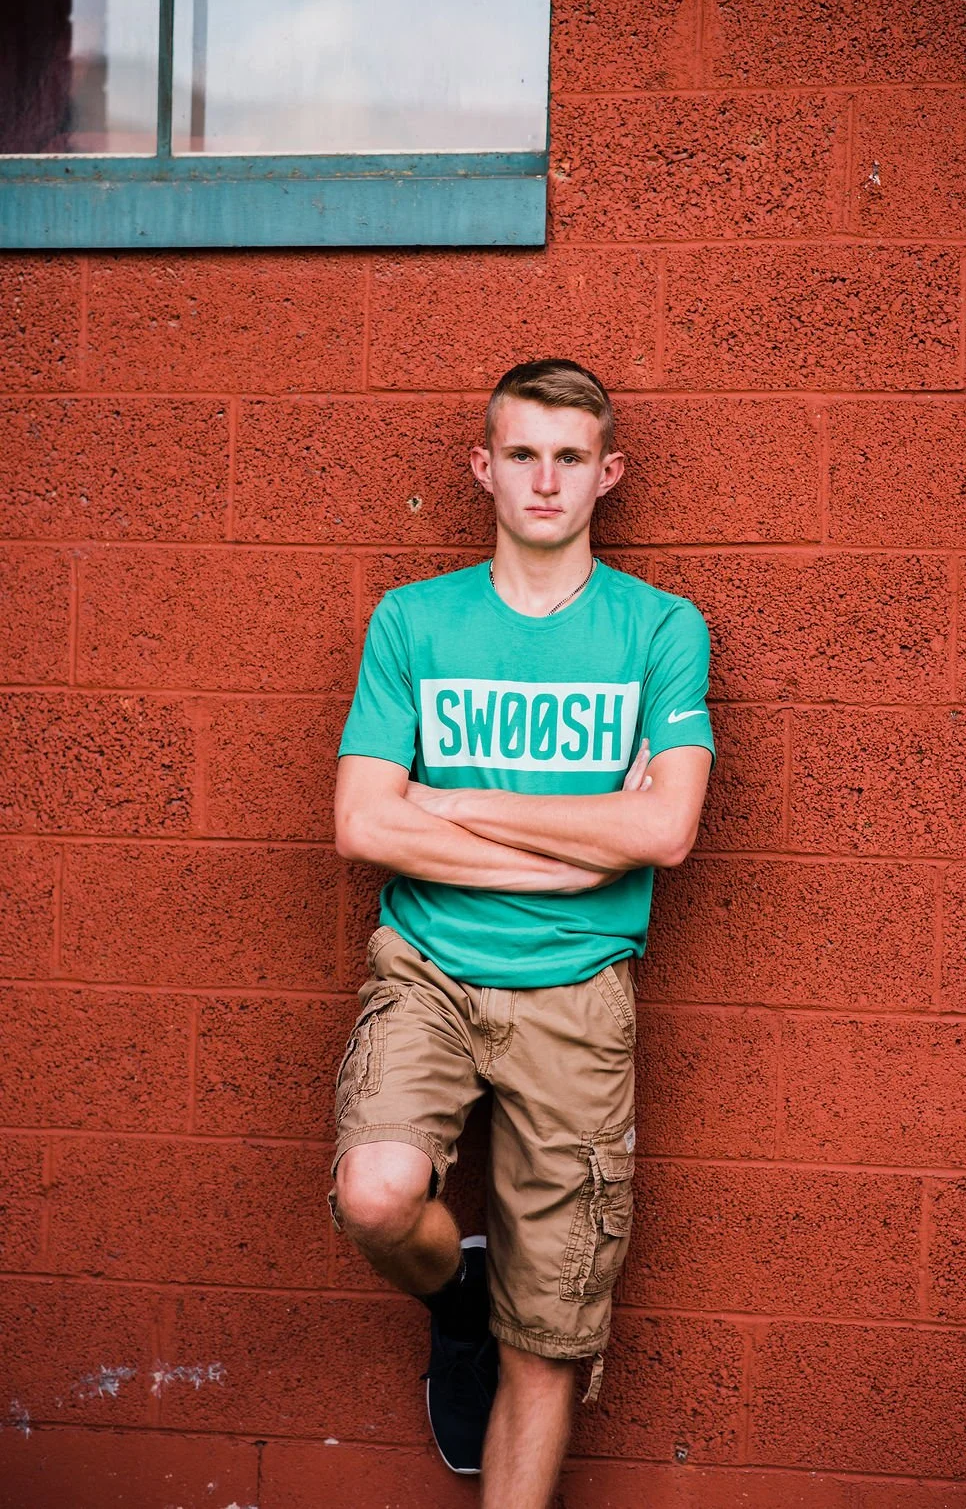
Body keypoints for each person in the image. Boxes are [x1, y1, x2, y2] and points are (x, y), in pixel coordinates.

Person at [328, 358, 715, 1507]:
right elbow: (360, 822)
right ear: (483, 468)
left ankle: (502, 1311)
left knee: (547, 1336)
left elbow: (669, 827)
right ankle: (457, 1291)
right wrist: (575, 850)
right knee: (378, 1195)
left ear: (608, 474)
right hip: (430, 968)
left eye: (570, 457)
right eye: (523, 455)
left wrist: (448, 801)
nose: (545, 481)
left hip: (578, 992)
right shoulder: (413, 619)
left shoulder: (660, 630)